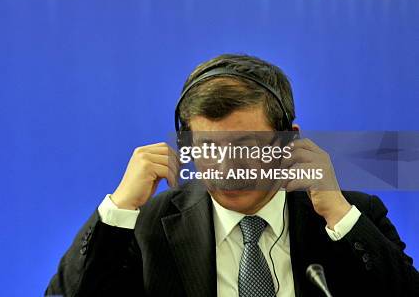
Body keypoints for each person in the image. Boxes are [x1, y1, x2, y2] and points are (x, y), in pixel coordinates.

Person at [46, 54, 419, 296]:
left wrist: (337, 212)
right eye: (207, 148)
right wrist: (118, 209)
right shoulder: (147, 227)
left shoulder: (349, 216)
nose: (226, 167)